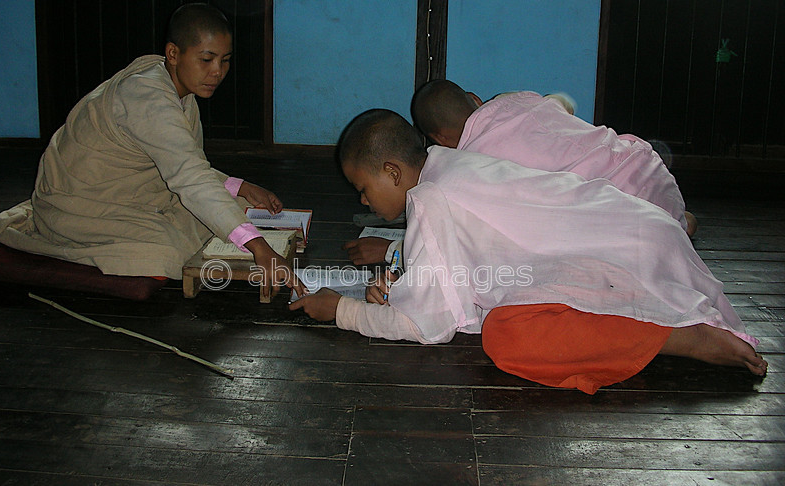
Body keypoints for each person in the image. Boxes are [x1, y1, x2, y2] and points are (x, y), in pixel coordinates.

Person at [291, 110, 766, 394]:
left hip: (626, 261)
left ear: (392, 172)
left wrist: (342, 310)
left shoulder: (428, 198)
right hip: (642, 236)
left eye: (363, 188)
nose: (363, 201)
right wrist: (402, 279)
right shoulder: (446, 167)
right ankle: (678, 328)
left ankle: (677, 337)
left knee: (507, 336)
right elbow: (463, 265)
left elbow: (428, 326)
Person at [0, 3, 303, 301]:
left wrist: (240, 186)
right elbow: (188, 176)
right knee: (169, 254)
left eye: (225, 61)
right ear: (173, 53)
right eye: (206, 59)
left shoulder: (179, 91)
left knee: (235, 207)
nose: (217, 71)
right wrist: (259, 248)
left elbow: (183, 164)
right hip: (82, 202)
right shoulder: (147, 97)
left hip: (133, 192)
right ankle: (51, 242)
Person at [344, 80, 695, 266]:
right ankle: (678, 221)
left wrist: (394, 250)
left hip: (625, 210)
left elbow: (471, 244)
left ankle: (675, 226)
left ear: (438, 140)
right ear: (476, 99)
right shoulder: (517, 98)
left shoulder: (474, 161)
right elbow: (564, 101)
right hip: (649, 166)